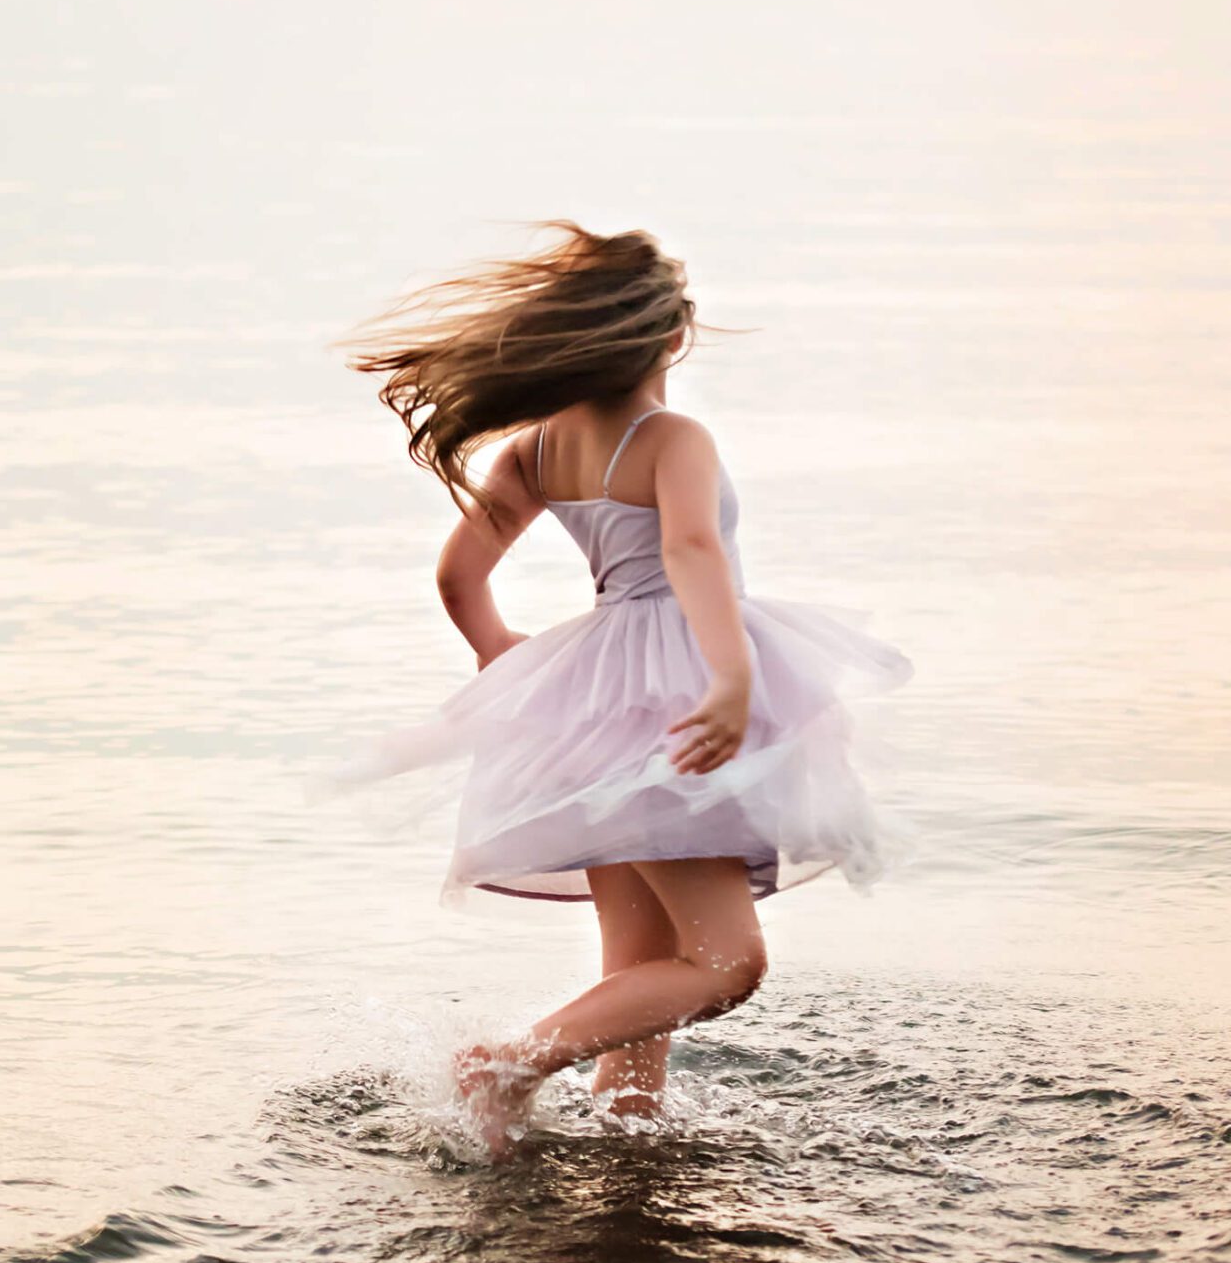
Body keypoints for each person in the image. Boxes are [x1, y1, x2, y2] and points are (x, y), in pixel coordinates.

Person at [348, 222, 910, 1155]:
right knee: (725, 966)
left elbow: (458, 578)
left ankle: (628, 1129)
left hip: (593, 697)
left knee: (642, 961)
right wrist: (730, 676)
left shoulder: (533, 449)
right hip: (680, 683)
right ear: (672, 337)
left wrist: (503, 656)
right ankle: (508, 1062)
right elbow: (692, 551)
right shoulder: (671, 436)